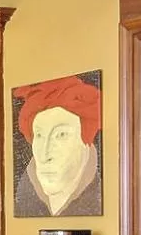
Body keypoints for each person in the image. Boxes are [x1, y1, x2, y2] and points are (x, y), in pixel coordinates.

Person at [14, 75, 102, 216]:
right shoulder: (22, 199)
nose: (44, 155)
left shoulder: (105, 195)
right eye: (40, 135)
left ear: (85, 142)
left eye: (61, 135)